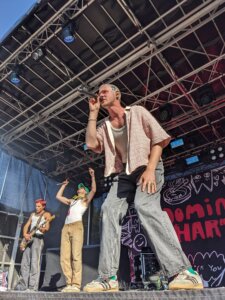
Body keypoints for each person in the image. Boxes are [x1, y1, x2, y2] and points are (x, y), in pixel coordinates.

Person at [83, 83, 203, 292]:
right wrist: (92, 114)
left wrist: (150, 169)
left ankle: (184, 271)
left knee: (144, 206)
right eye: (99, 92)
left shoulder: (137, 112)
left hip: (149, 165)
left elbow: (159, 140)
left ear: (117, 94)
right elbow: (92, 144)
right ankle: (108, 277)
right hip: (125, 174)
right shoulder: (104, 126)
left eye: (105, 91)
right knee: (108, 209)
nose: (100, 94)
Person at [56, 168, 96, 293]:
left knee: (76, 256)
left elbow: (94, 190)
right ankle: (69, 283)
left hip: (77, 227)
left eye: (81, 188)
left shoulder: (85, 200)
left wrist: (93, 176)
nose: (79, 189)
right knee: (64, 257)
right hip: (66, 227)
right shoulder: (72, 201)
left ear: (85, 191)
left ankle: (76, 284)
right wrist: (63, 185)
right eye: (79, 188)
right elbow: (58, 196)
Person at [16, 199, 52, 291]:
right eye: (36, 206)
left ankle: (32, 287)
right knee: (25, 263)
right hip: (29, 239)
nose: (37, 208)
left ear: (43, 206)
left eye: (39, 206)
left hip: (38, 239)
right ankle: (23, 285)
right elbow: (26, 225)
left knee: (34, 263)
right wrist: (25, 235)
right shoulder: (32, 214)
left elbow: (47, 228)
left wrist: (42, 229)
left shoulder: (46, 214)